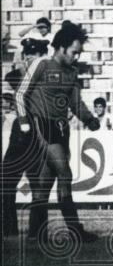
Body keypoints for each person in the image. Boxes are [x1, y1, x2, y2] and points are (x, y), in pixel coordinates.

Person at [15, 21, 102, 242]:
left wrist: (90, 119)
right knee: (65, 174)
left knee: (45, 183)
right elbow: (20, 95)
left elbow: (76, 102)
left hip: (61, 130)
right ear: (61, 47)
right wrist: (25, 123)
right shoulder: (42, 65)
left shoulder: (72, 73)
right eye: (74, 52)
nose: (77, 58)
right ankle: (75, 230)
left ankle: (36, 233)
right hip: (41, 125)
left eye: (79, 54)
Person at [2, 40, 48, 237]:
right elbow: (10, 77)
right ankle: (11, 228)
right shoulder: (28, 74)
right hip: (22, 132)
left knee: (39, 184)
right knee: (7, 182)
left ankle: (36, 230)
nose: (28, 58)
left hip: (35, 131)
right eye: (26, 54)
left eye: (32, 54)